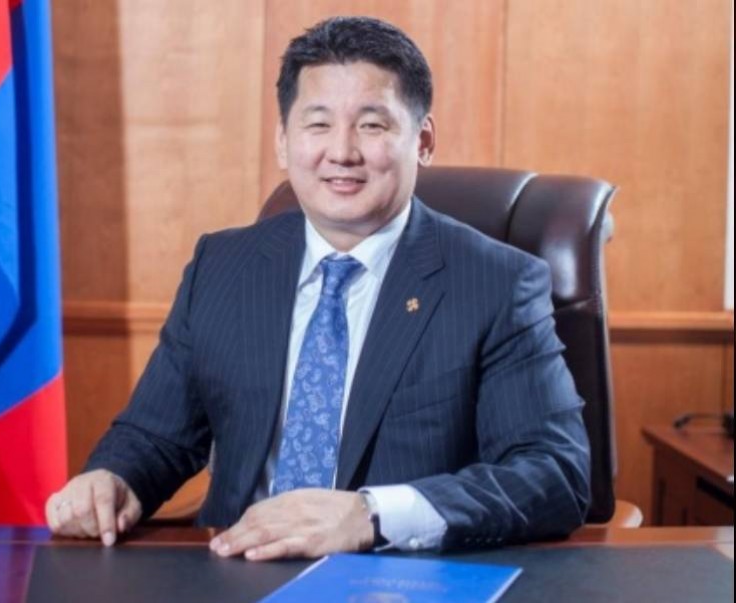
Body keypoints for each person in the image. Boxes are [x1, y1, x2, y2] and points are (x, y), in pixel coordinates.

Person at [46, 16, 590, 560]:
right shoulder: (224, 266)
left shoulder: (495, 284)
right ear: (284, 142)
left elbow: (554, 472)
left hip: (396, 576)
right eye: (318, 124)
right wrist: (112, 478)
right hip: (233, 569)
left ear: (423, 141)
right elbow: (156, 437)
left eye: (372, 125)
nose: (342, 152)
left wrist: (373, 515)